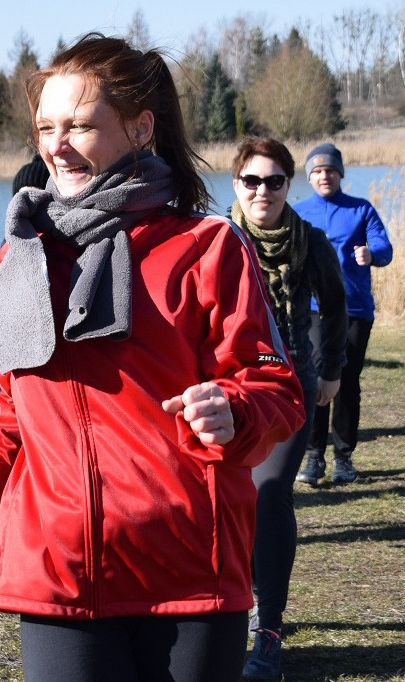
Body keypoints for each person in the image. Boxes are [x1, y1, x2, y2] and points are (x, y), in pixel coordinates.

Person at [0, 34, 305, 682]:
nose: (57, 145)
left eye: (79, 125)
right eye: (46, 127)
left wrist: (233, 407)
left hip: (187, 568)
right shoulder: (21, 259)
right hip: (56, 567)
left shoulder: (207, 246)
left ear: (140, 128)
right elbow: (14, 413)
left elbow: (277, 388)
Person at [229, 137, 348, 682]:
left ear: (287, 186)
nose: (263, 191)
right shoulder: (220, 239)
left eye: (274, 181)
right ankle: (240, 604)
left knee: (271, 492)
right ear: (237, 185)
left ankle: (269, 633)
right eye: (252, 181)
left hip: (289, 385)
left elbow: (336, 305)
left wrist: (331, 369)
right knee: (232, 501)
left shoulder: (310, 242)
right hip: (231, 387)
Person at [294, 143, 394, 486]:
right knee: (316, 378)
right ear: (309, 177)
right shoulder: (298, 212)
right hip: (312, 309)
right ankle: (313, 455)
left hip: (355, 309)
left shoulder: (361, 209)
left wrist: (371, 253)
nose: (325, 176)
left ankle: (344, 457)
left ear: (340, 174)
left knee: (348, 381)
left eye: (331, 170)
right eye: (318, 171)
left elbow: (384, 247)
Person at [0, 153, 51, 578]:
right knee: (6, 454)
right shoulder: (11, 250)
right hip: (8, 369)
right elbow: (1, 318)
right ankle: (0, 545)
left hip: (38, 372)